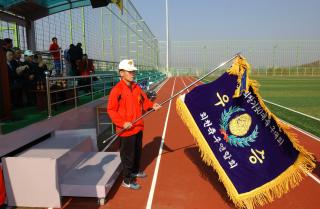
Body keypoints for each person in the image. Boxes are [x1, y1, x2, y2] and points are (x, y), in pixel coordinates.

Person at [107, 59, 161, 190]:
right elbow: (111, 110)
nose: (133, 73)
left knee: (137, 152)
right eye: (129, 71)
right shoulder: (117, 90)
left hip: (138, 127)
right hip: (125, 130)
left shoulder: (136, 87)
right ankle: (128, 180)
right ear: (121, 73)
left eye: (133, 71)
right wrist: (122, 123)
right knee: (128, 156)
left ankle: (135, 171)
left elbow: (145, 102)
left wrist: (152, 105)